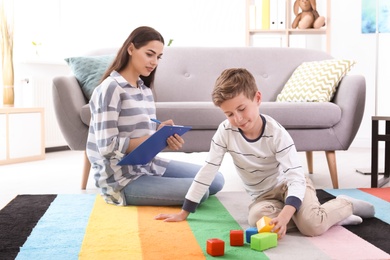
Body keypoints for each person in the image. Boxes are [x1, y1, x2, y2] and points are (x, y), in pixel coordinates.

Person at [155, 68, 375, 239]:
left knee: (312, 228)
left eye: (242, 109)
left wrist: (287, 213)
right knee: (257, 220)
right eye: (229, 113)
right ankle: (319, 216)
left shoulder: (276, 133)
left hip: (291, 185)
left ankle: (344, 205)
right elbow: (208, 170)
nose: (238, 119)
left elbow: (295, 177)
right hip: (263, 197)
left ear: (257, 99)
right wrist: (184, 211)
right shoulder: (225, 132)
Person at [86, 26, 224, 206]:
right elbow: (107, 146)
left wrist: (160, 135)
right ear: (130, 49)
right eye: (149, 54)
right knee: (200, 191)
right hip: (121, 180)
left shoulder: (144, 90)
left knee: (216, 179)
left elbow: (141, 137)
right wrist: (152, 137)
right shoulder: (111, 88)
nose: (154, 62)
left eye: (158, 57)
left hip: (147, 167)